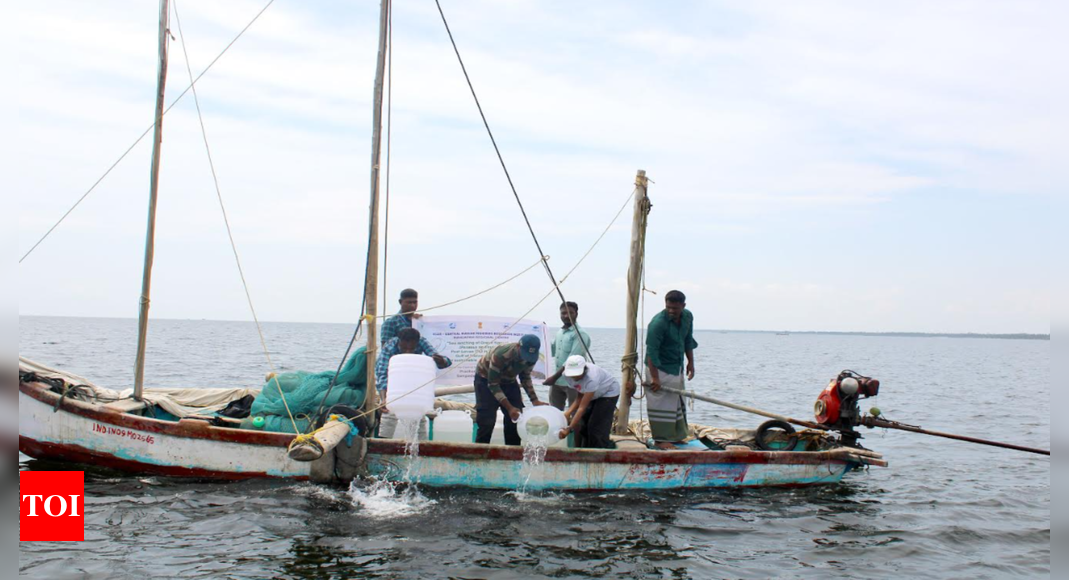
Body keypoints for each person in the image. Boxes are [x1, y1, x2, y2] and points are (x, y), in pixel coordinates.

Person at [643, 290, 698, 449]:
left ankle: (676, 436)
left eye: (675, 308)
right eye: (669, 307)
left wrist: (691, 363)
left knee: (676, 400)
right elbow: (652, 352)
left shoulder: (687, 317)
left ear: (683, 306)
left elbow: (688, 340)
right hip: (659, 367)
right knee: (660, 402)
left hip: (676, 365)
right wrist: (655, 378)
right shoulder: (658, 323)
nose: (672, 311)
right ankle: (661, 439)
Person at [375, 327, 452, 439]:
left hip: (413, 381)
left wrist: (442, 361)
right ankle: (383, 444)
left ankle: (421, 446)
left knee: (418, 412)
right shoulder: (390, 347)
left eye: (411, 348)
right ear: (399, 342)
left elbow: (442, 360)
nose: (408, 351)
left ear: (417, 343)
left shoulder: (422, 342)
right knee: (389, 412)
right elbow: (382, 373)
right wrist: (384, 399)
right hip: (394, 382)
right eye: (404, 348)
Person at [474, 334, 549, 445]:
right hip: (486, 380)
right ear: (518, 346)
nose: (526, 358)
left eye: (529, 356)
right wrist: (509, 408)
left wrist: (535, 400)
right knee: (487, 421)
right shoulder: (500, 355)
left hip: (509, 380)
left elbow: (525, 377)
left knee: (516, 419)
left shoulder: (532, 357)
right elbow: (493, 384)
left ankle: (512, 454)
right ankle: (479, 454)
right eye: (525, 354)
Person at [544, 355, 620, 449]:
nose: (574, 377)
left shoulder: (592, 378)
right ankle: (586, 449)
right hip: (592, 393)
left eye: (577, 374)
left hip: (608, 392)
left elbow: (581, 408)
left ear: (584, 369)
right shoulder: (567, 376)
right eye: (572, 374)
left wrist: (569, 428)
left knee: (596, 427)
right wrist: (567, 413)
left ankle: (600, 452)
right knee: (584, 425)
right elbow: (579, 397)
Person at [549, 301, 592, 411]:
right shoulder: (560, 332)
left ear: (576, 314)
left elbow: (571, 361)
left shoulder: (580, 334)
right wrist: (541, 333)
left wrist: (553, 377)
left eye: (570, 313)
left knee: (575, 413)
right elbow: (552, 351)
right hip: (558, 382)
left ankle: (573, 428)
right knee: (554, 412)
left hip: (574, 382)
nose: (566, 316)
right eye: (563, 313)